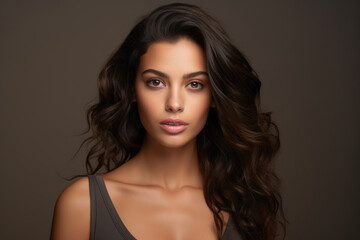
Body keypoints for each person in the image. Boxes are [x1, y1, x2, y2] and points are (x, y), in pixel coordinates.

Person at [50, 2, 286, 240]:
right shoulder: (82, 206)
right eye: (156, 82)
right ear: (132, 89)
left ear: (213, 95)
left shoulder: (246, 207)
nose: (174, 103)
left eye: (195, 84)